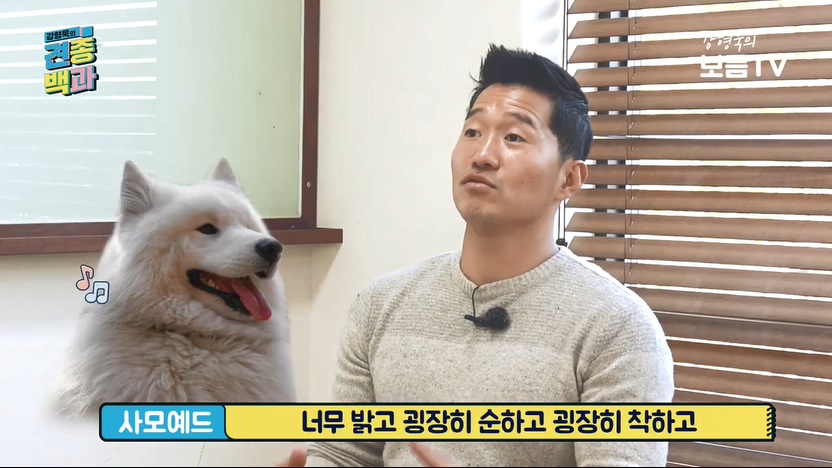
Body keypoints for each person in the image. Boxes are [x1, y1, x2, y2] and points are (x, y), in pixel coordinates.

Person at [279, 43, 675, 467]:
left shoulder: (619, 329)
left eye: (514, 137)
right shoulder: (379, 306)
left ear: (569, 179)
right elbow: (343, 453)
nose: (483, 155)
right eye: (472, 132)